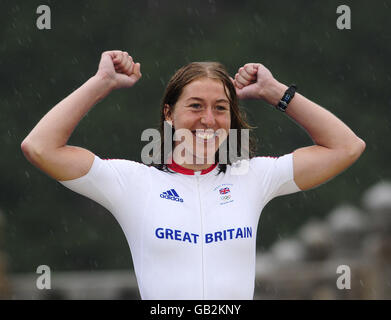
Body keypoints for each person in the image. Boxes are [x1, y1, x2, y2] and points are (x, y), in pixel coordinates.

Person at [21, 50, 366, 300]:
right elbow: (40, 147)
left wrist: (276, 93)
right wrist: (102, 83)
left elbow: (346, 147)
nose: (208, 120)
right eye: (195, 106)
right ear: (169, 114)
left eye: (220, 108)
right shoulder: (133, 183)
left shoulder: (253, 177)